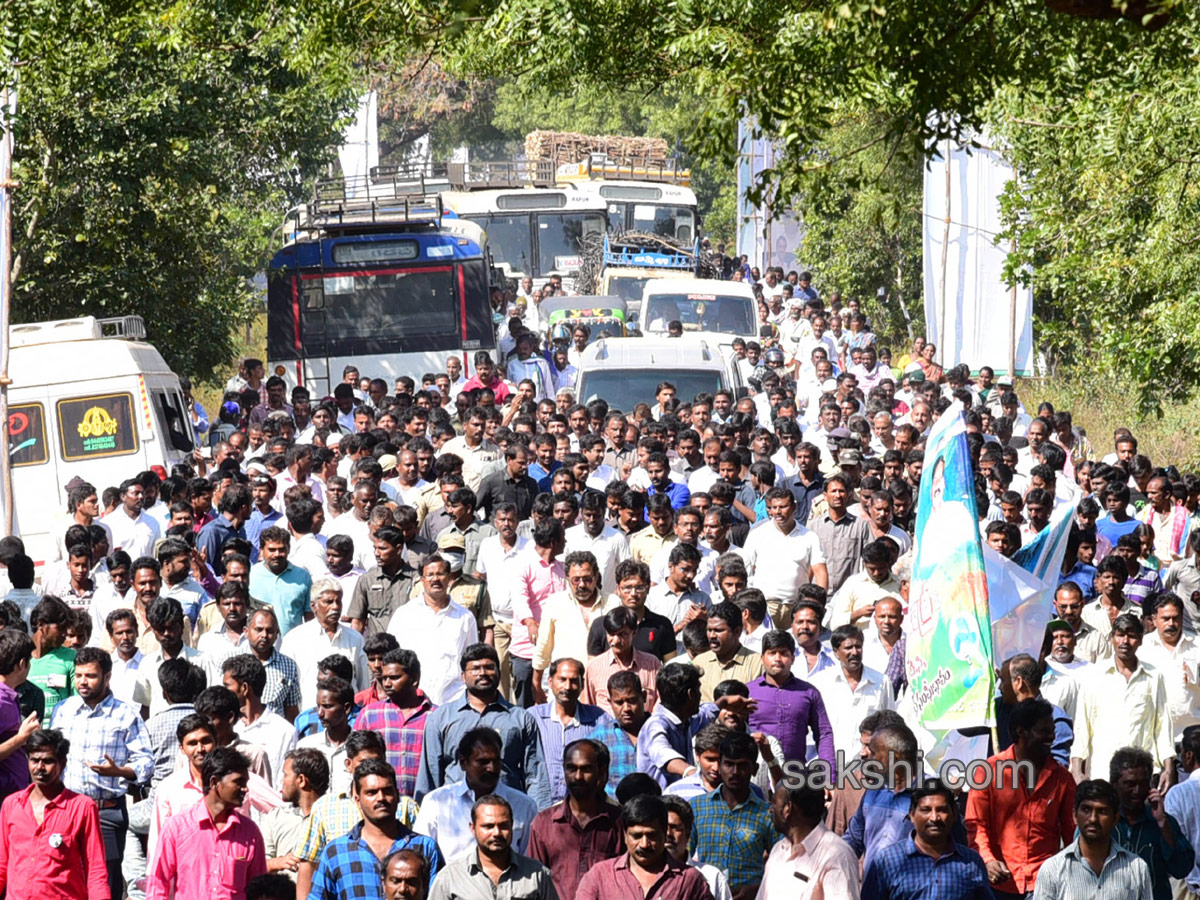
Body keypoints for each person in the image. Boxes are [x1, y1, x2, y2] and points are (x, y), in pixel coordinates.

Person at [50, 646, 154, 900]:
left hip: (105, 812)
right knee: (65, 878)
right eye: (79, 675)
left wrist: (119, 771)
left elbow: (145, 762)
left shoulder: (126, 714)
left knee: (105, 881)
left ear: (107, 678)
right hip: (67, 810)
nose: (83, 682)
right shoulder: (64, 709)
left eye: (91, 676)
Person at [415, 644, 550, 810]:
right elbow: (430, 773)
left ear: (499, 673)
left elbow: (535, 774)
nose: (483, 673)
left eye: (489, 667)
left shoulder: (521, 719)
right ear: (463, 676)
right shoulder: (441, 718)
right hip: (454, 814)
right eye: (475, 668)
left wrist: (540, 819)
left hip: (508, 815)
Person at [965, 697, 1075, 898]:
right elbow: (976, 826)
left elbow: (1072, 835)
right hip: (998, 886)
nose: (1052, 736)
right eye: (1044, 731)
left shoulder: (1063, 779)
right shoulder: (986, 772)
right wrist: (988, 861)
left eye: (1052, 730)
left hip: (1045, 886)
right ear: (1021, 732)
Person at [309, 759, 443, 899]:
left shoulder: (425, 847)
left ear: (397, 796)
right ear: (357, 799)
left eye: (387, 791)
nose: (381, 798)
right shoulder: (336, 852)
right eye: (371, 792)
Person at [0, 728, 109, 899]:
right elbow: (2, 864)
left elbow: (95, 870)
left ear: (62, 763)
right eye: (34, 760)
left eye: (48, 761)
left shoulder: (82, 808)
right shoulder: (11, 805)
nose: (40, 768)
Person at [147, 745, 267, 898]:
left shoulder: (250, 833)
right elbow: (157, 883)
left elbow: (259, 889)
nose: (245, 789)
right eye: (238, 782)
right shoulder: (177, 828)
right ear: (214, 782)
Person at [1071, 613, 1174, 789]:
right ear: (1112, 638)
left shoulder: (1154, 677)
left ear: (1141, 639)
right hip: (1103, 774)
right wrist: (1076, 770)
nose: (1125, 641)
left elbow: (1163, 726)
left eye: (1131, 635)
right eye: (1120, 635)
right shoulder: (1094, 676)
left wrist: (1168, 769)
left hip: (1141, 777)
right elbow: (1082, 727)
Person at [414, 727, 539, 860]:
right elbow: (420, 856)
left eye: (496, 761)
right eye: (483, 762)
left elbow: (530, 860)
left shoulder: (524, 806)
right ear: (463, 763)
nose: (491, 768)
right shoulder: (436, 802)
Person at [861, 781, 992, 900]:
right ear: (912, 815)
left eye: (941, 810)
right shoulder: (887, 861)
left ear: (954, 814)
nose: (934, 818)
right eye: (926, 810)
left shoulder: (971, 862)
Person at [526, 739, 622, 900]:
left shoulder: (618, 821)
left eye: (586, 769)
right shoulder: (544, 824)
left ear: (601, 771)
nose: (578, 776)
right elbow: (534, 882)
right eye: (571, 768)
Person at [1032, 778, 1153, 899]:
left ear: (1115, 819)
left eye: (1102, 811)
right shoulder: (1052, 870)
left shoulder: (1137, 868)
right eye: (1086, 810)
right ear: (1075, 815)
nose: (1093, 819)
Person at [574, 794, 711, 900]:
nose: (644, 844)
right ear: (625, 835)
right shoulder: (600, 876)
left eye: (652, 835)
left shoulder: (689, 880)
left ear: (664, 833)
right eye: (637, 836)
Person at [689, 731, 774, 900]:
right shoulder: (697, 806)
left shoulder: (767, 814)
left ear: (754, 769)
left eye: (742, 765)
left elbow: (782, 864)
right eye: (729, 764)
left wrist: (756, 889)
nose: (735, 772)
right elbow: (683, 857)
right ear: (720, 766)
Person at [427, 793, 559, 900]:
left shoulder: (537, 874)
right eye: (488, 826)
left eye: (503, 826)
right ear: (473, 828)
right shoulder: (450, 877)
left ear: (512, 826)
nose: (496, 833)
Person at [1109, 746, 1194, 900]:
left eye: (1143, 784)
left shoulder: (1162, 821)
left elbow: (1182, 868)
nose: (1137, 791)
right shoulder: (1101, 821)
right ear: (1114, 784)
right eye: (1130, 784)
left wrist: (1162, 823)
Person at [759, 777, 860, 900]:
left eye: (774, 803)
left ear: (788, 809)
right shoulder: (778, 851)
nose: (771, 809)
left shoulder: (837, 856)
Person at [740, 488, 827, 628]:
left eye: (783, 507)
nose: (778, 512)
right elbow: (745, 569)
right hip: (765, 606)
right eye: (774, 508)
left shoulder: (809, 537)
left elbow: (820, 572)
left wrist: (818, 604)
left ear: (794, 507)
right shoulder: (758, 534)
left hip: (796, 607)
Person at [354, 649, 436, 799]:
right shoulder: (369, 715)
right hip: (380, 803)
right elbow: (355, 758)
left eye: (394, 677)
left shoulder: (436, 716)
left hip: (426, 805)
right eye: (384, 678)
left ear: (414, 679)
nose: (387, 683)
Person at [747, 629, 836, 767]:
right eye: (772, 653)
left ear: (793, 658)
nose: (777, 658)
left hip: (795, 776)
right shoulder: (748, 692)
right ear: (762, 658)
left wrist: (829, 774)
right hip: (756, 775)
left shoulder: (809, 692)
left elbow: (824, 734)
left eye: (784, 653)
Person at [529, 658, 608, 805]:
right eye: (562, 679)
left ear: (582, 684)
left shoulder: (599, 719)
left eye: (573, 681)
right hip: (539, 807)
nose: (567, 686)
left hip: (582, 808)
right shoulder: (533, 718)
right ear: (550, 682)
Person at [281, 578, 368, 711]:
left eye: (338, 602)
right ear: (313, 606)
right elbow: (286, 686)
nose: (335, 607)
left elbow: (363, 684)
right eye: (329, 602)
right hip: (310, 716)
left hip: (348, 718)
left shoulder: (355, 639)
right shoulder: (295, 639)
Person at [810, 625, 896, 759]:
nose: (854, 652)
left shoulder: (881, 682)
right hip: (829, 765)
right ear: (836, 652)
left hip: (867, 766)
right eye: (848, 648)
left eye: (858, 647)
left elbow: (890, 727)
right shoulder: (820, 683)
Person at [260, 748, 329, 880]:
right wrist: (276, 863)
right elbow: (256, 866)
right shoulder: (276, 817)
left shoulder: (332, 817)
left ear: (301, 780)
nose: (282, 781)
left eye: (285, 775)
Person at [585, 671, 648, 793]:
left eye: (632, 701)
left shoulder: (660, 731)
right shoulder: (597, 738)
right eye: (619, 702)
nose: (626, 709)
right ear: (610, 702)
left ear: (643, 697)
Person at [691, 601, 763, 702]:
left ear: (737, 631)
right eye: (709, 630)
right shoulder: (699, 663)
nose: (712, 636)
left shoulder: (758, 664)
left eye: (718, 630)